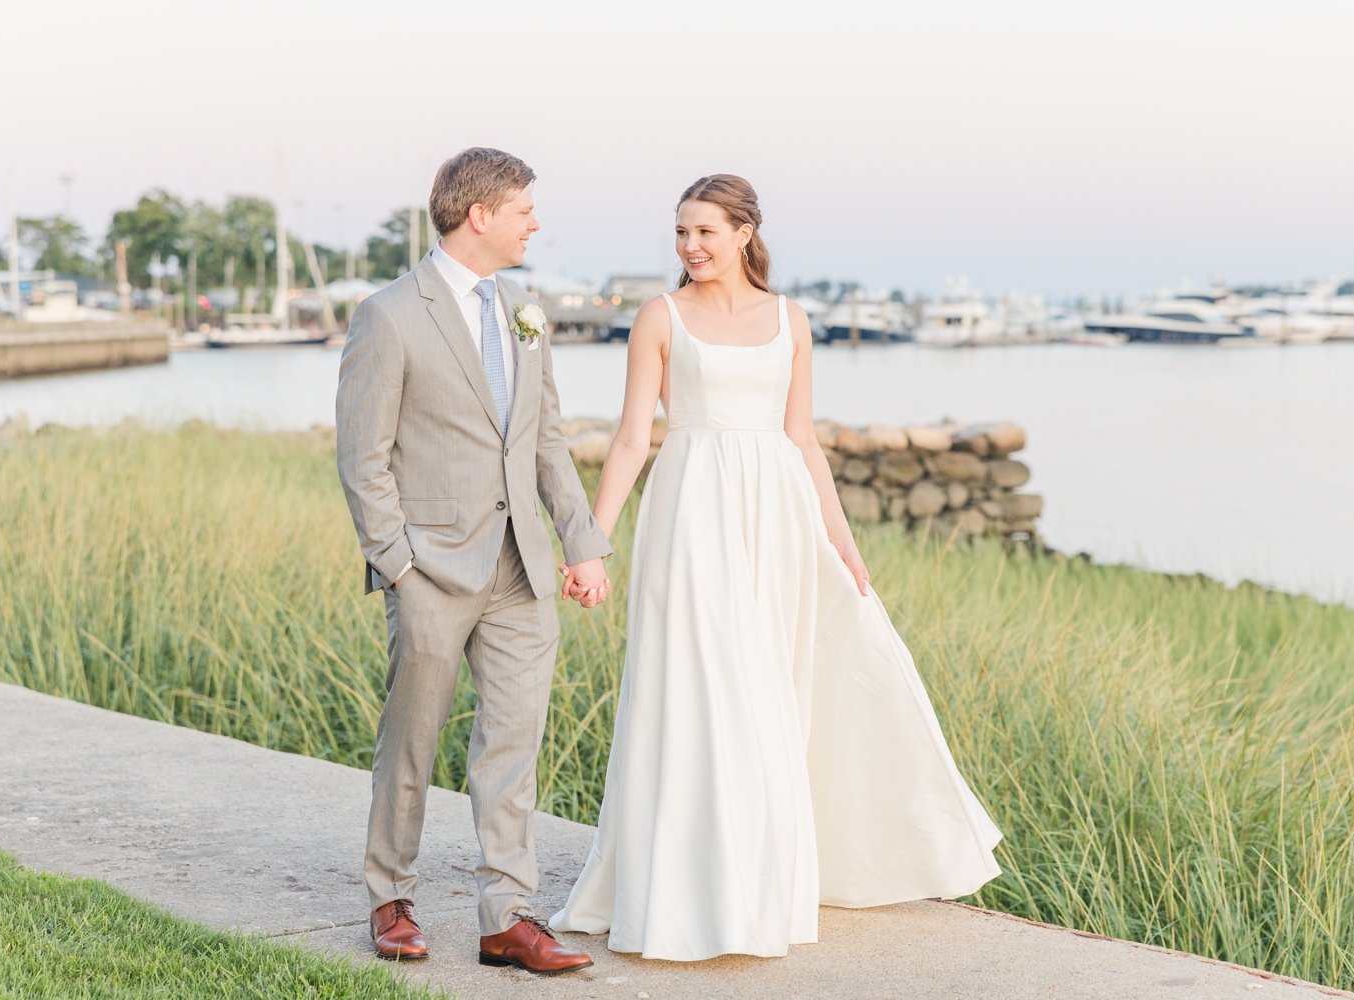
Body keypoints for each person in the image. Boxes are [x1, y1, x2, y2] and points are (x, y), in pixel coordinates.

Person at [550, 174, 1004, 961]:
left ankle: (762, 887)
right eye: (682, 233)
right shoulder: (660, 318)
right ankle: (685, 891)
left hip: (779, 516)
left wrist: (842, 539)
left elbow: (803, 438)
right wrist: (592, 541)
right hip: (690, 512)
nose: (691, 247)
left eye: (705, 232)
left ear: (745, 230)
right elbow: (631, 440)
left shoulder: (791, 321)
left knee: (770, 693)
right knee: (697, 688)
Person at [336, 147, 612, 975]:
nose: (535, 223)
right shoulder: (389, 315)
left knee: (512, 746)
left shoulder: (523, 311)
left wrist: (583, 543)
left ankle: (508, 918)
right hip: (431, 570)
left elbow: (546, 441)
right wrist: (401, 563)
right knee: (411, 741)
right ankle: (390, 896)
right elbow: (363, 458)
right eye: (524, 209)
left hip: (522, 570)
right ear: (479, 215)